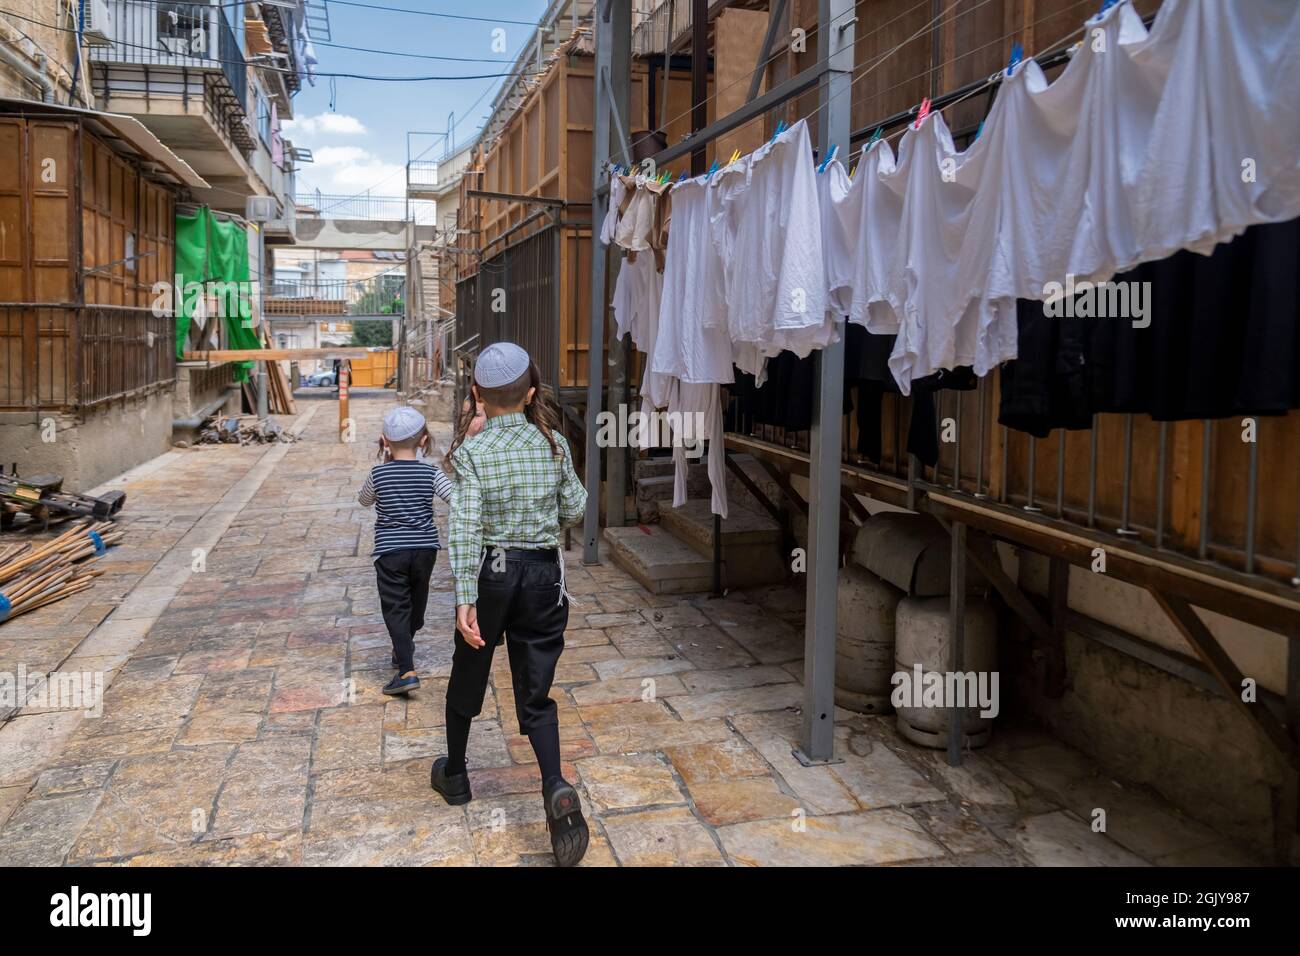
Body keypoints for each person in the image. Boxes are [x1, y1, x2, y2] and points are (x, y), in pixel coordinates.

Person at [432, 342, 590, 867]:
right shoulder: (555, 444)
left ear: (477, 394)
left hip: (494, 574)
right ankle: (554, 783)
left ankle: (455, 774)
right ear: (531, 392)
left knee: (470, 668)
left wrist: (464, 597)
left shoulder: (472, 454)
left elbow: (466, 524)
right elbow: (575, 506)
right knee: (536, 689)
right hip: (543, 575)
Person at [357, 406, 454, 696]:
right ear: (424, 440)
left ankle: (407, 671)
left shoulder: (379, 474)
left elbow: (363, 501)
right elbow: (455, 498)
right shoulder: (430, 473)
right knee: (416, 602)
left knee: (396, 608)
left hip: (391, 552)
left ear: (384, 441)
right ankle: (403, 651)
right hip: (425, 550)